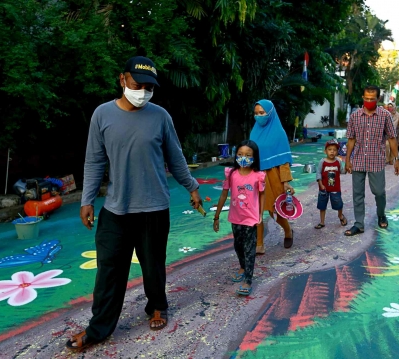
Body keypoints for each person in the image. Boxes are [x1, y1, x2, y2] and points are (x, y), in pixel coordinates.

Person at [67, 56, 203, 351]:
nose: (142, 91)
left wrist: (192, 187)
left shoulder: (160, 117)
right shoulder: (102, 115)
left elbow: (175, 157)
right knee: (109, 270)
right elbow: (94, 160)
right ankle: (99, 328)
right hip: (116, 208)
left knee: (152, 265)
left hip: (154, 207)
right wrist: (87, 199)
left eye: (148, 87)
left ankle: (157, 306)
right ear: (122, 79)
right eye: (137, 84)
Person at [344, 85, 399, 236]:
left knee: (379, 192)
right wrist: (347, 159)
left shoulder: (385, 115)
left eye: (372, 99)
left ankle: (381, 214)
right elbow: (351, 139)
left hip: (376, 160)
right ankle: (359, 224)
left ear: (378, 99)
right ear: (363, 98)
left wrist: (396, 159)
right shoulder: (355, 116)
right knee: (358, 194)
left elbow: (392, 138)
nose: (369, 101)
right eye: (366, 98)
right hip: (358, 159)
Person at [213, 140, 265, 296]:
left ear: (254, 157)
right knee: (238, 245)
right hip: (235, 218)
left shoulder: (258, 176)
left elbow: (262, 196)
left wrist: (260, 215)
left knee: (250, 249)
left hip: (251, 219)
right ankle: (242, 267)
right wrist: (216, 216)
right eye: (240, 154)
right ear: (235, 156)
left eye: (248, 155)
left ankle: (248, 280)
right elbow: (224, 194)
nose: (244, 158)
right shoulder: (231, 174)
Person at [250, 100, 295, 253]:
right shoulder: (254, 132)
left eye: (262, 113)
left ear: (270, 113)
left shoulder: (279, 132)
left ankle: (288, 231)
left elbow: (283, 161)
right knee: (256, 211)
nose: (258, 116)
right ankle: (259, 244)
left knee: (275, 211)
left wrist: (286, 182)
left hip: (273, 177)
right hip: (255, 175)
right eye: (256, 113)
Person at [314, 139, 347, 229]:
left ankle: (340, 216)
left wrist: (347, 167)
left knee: (339, 204)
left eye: (334, 150)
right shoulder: (322, 162)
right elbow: (318, 173)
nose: (332, 152)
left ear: (337, 152)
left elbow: (342, 171)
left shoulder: (338, 161)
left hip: (335, 189)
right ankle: (322, 222)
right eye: (330, 149)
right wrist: (320, 184)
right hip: (324, 189)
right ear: (325, 151)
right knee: (322, 205)